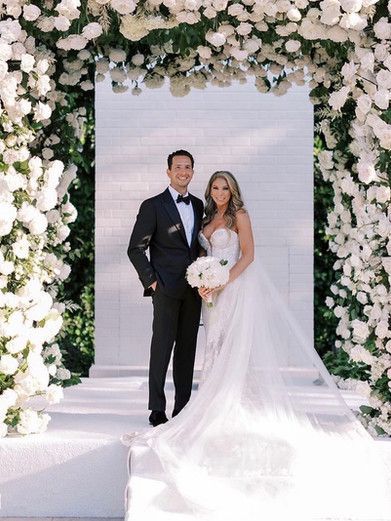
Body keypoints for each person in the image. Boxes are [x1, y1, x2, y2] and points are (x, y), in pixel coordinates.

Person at [123, 172, 391, 521]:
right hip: (209, 296)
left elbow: (247, 256)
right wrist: (203, 283)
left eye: (225, 188)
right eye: (216, 188)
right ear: (210, 191)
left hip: (231, 291)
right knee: (214, 349)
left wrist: (220, 282)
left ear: (233, 191)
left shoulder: (240, 216)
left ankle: (231, 403)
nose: (220, 193)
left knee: (231, 347)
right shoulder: (205, 217)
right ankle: (196, 403)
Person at [127, 150, 204, 427]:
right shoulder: (153, 206)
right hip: (165, 288)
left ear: (193, 172)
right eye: (178, 167)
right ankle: (157, 408)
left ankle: (182, 407)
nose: (183, 171)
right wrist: (152, 281)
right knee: (161, 348)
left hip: (194, 290)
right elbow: (135, 248)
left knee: (187, 350)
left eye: (188, 167)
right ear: (168, 171)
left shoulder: (198, 205)